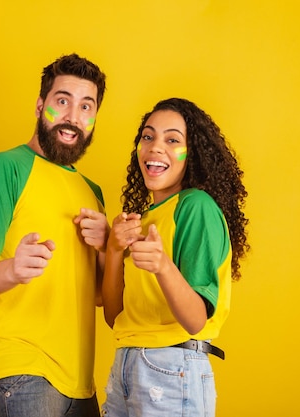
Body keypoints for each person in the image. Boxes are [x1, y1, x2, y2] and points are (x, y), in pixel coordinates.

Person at [0, 53, 108, 417]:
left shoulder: (92, 193)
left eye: (86, 107)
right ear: (41, 105)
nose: (73, 116)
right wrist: (13, 269)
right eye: (62, 101)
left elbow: (102, 297)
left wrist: (108, 248)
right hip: (19, 369)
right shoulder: (5, 169)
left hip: (79, 381)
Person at [101, 98, 250, 417]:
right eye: (148, 136)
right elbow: (116, 317)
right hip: (127, 364)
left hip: (171, 369)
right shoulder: (145, 219)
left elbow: (196, 320)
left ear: (192, 153)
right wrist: (114, 250)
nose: (155, 147)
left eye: (172, 140)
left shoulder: (195, 207)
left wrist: (162, 265)